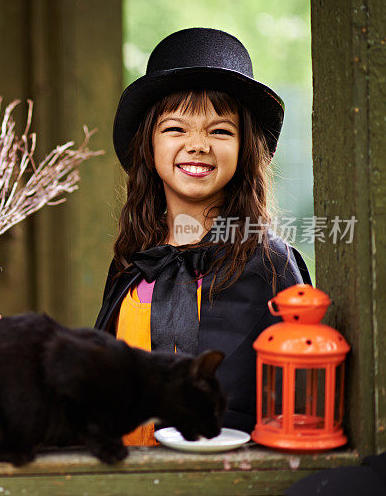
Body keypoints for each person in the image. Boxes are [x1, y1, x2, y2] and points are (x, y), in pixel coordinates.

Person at [94, 28, 311, 445]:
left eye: (220, 131)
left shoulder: (272, 263)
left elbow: (300, 400)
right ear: (150, 145)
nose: (197, 145)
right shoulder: (133, 262)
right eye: (176, 128)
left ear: (244, 147)